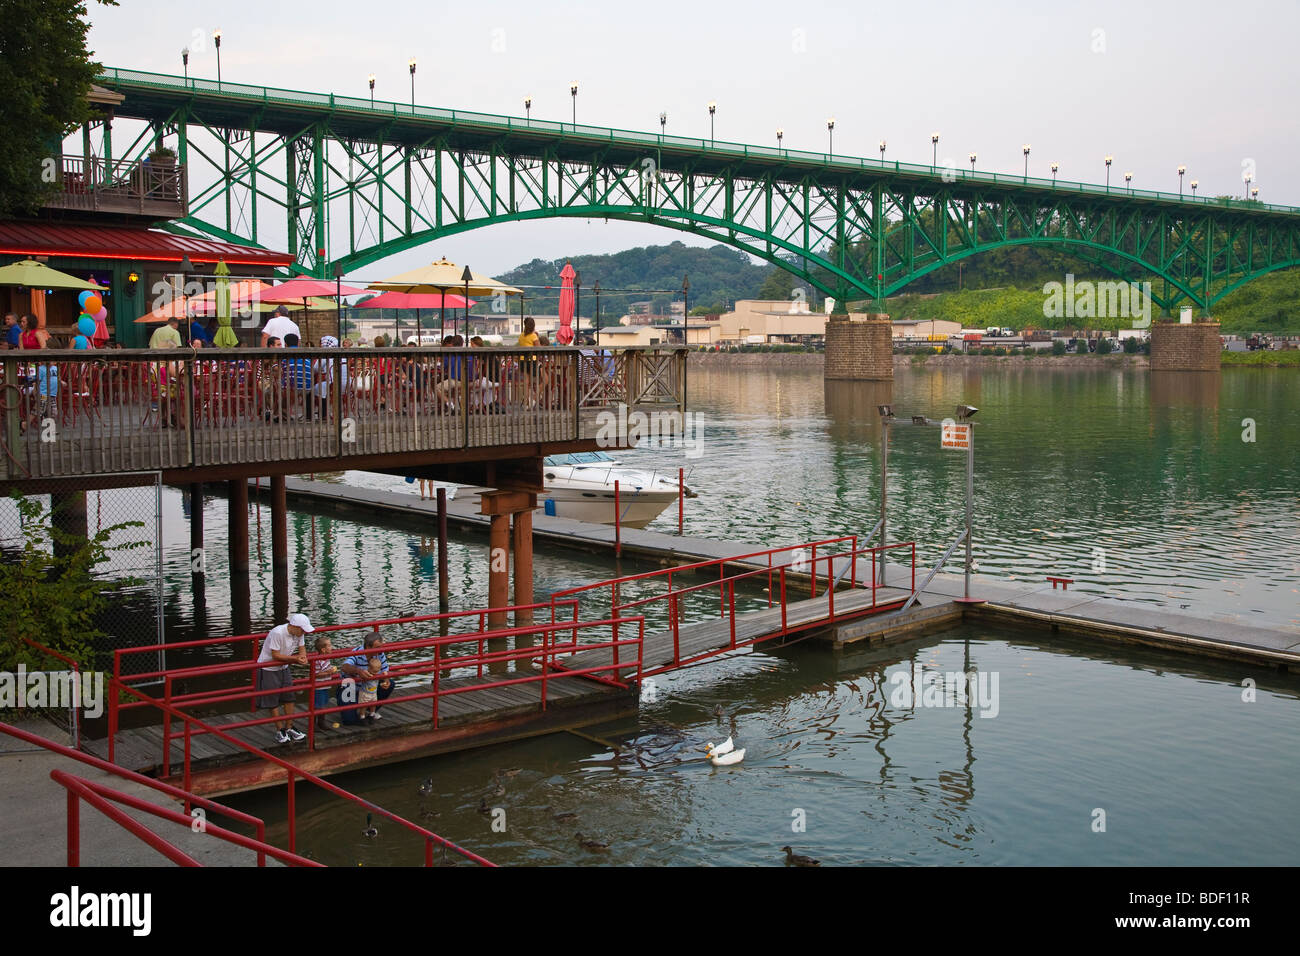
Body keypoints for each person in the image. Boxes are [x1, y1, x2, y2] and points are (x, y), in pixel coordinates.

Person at [255, 613, 314, 743]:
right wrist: (296, 659)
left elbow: (302, 647)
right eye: (302, 630)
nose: (304, 632)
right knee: (272, 700)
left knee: (289, 697)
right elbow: (275, 655)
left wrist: (302, 656)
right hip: (268, 668)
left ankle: (289, 727)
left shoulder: (299, 633)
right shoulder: (277, 633)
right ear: (293, 626)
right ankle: (279, 729)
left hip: (284, 667)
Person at [338, 634, 393, 724]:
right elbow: (345, 666)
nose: (380, 650)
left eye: (381, 647)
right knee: (348, 720)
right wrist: (358, 671)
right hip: (351, 688)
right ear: (368, 647)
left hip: (370, 687)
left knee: (391, 684)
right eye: (377, 647)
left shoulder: (379, 653)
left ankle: (369, 710)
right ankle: (360, 710)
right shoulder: (356, 653)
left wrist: (386, 680)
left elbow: (384, 669)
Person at [312, 634, 341, 732]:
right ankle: (314, 724)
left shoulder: (326, 659)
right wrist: (328, 672)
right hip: (319, 687)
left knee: (323, 704)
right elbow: (316, 674)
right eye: (329, 645)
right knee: (317, 706)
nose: (331, 647)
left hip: (325, 686)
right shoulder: (318, 661)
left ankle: (321, 722)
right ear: (323, 649)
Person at [356, 655, 384, 720]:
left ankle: (372, 714)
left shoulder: (378, 673)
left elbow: (384, 674)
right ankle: (362, 716)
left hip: (373, 692)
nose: (375, 674)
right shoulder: (366, 673)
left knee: (374, 703)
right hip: (365, 692)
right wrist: (366, 677)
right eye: (374, 671)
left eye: (377, 671)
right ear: (368, 668)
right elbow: (362, 678)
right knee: (363, 705)